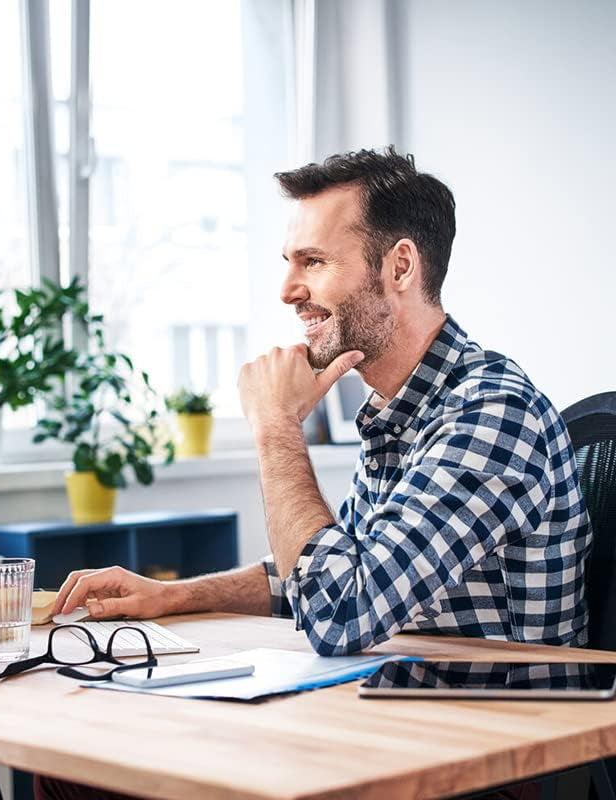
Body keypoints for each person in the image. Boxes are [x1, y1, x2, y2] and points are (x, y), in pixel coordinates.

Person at [34, 148, 590, 800]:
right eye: (289, 262)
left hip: (487, 763)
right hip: (390, 726)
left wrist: (275, 425)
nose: (288, 290)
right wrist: (172, 597)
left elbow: (341, 611)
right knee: (77, 769)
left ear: (400, 266)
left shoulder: (490, 414)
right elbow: (321, 573)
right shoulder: (401, 414)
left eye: (314, 262)